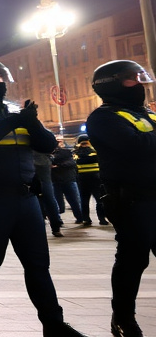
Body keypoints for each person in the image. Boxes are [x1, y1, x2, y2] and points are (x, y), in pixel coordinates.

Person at [0, 59, 85, 337]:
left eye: (2, 77)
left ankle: (54, 325)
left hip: (26, 201)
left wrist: (32, 123)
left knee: (38, 267)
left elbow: (48, 145)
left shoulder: (16, 113)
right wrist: (14, 120)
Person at [85, 59, 156, 337]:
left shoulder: (147, 114)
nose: (139, 84)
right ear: (112, 84)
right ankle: (123, 318)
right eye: (131, 79)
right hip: (131, 200)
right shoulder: (103, 117)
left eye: (140, 78)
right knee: (133, 260)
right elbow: (134, 146)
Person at [72, 135, 107, 226]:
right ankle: (90, 219)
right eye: (83, 142)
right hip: (87, 180)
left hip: (92, 179)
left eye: (86, 142)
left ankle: (99, 218)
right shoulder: (93, 152)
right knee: (86, 200)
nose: (84, 144)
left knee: (98, 200)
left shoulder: (77, 153)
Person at [50, 145, 83, 224]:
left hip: (67, 180)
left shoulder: (65, 153)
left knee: (74, 201)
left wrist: (57, 165)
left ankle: (80, 218)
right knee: (58, 203)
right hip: (57, 181)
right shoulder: (47, 155)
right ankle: (58, 220)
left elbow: (71, 163)